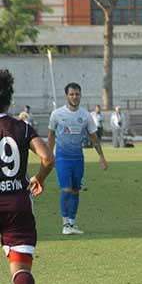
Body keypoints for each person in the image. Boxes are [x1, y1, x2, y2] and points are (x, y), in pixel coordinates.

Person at [0, 70, 54, 284]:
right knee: (21, 270)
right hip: (17, 205)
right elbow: (48, 158)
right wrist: (39, 178)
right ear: (9, 99)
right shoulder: (22, 127)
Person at [48, 82, 108, 235]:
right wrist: (49, 154)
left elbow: (94, 137)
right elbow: (51, 135)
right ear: (66, 96)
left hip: (78, 159)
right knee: (66, 189)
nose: (75, 97)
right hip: (62, 158)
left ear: (80, 95)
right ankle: (65, 224)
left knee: (75, 190)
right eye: (72, 94)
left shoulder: (85, 115)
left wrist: (101, 156)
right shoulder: (57, 114)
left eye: (77, 94)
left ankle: (72, 223)